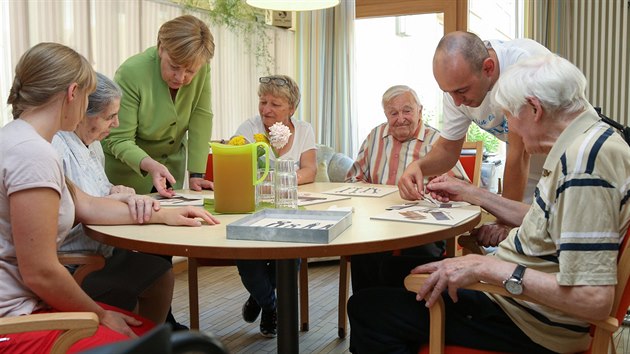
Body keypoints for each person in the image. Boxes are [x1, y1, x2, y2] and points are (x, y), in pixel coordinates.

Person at [347, 54, 630, 353]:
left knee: (367, 309)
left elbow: (593, 300)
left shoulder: (583, 165)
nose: (512, 130)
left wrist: (486, 267)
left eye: (509, 116)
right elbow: (547, 219)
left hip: (529, 320)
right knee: (393, 271)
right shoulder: (588, 142)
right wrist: (473, 193)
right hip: (522, 302)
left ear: (534, 109)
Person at [0, 42, 220, 353]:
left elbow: (87, 205)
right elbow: (40, 272)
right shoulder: (33, 154)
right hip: (17, 321)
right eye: (89, 97)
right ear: (73, 93)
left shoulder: (22, 139)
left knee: (156, 337)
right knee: (159, 343)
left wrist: (164, 215)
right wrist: (99, 314)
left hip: (27, 308)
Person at [397, 31, 551, 246]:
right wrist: (419, 166)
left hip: (561, 154)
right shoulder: (457, 86)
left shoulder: (521, 66)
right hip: (530, 159)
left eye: (461, 91)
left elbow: (519, 154)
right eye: (448, 92)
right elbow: (447, 150)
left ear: (488, 68)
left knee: (538, 234)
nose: (457, 102)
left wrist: (503, 221)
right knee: (523, 239)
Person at [52, 72, 174, 325]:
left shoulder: (94, 144)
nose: (117, 124)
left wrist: (116, 191)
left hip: (102, 249)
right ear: (82, 112)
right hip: (76, 262)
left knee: (160, 272)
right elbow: (79, 206)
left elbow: (96, 190)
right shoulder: (56, 148)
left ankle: (146, 341)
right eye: (109, 116)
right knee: (151, 274)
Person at [345, 85, 467, 293]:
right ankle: (368, 312)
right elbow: (353, 179)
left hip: (420, 224)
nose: (400, 118)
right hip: (376, 222)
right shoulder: (375, 136)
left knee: (422, 248)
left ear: (420, 111)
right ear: (386, 115)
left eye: (407, 111)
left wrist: (429, 192)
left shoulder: (437, 141)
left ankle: (416, 314)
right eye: (393, 113)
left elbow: (461, 187)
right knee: (363, 248)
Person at [235, 75, 317, 337]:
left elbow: (310, 170)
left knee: (289, 256)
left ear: (292, 108)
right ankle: (270, 304)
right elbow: (238, 170)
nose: (266, 110)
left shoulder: (303, 130)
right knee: (246, 256)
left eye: (275, 104)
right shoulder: (249, 128)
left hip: (290, 208)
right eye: (263, 101)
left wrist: (284, 179)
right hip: (255, 209)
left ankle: (260, 298)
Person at [102, 14, 215, 197]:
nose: (180, 77)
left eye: (190, 71)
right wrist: (151, 164)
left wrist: (196, 174)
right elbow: (119, 139)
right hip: (127, 179)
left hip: (171, 177)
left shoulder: (202, 69)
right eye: (174, 67)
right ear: (161, 48)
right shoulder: (131, 73)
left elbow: (201, 117)